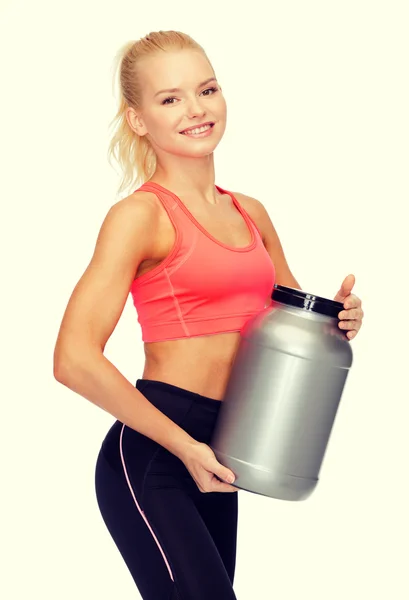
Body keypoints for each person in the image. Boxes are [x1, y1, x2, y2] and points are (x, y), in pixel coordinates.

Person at [53, 30, 303, 600]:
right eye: (170, 99)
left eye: (206, 90)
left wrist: (338, 317)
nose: (196, 110)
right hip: (154, 454)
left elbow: (288, 326)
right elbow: (72, 359)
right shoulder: (138, 217)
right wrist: (185, 446)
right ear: (138, 120)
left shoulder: (251, 212)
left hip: (224, 451)